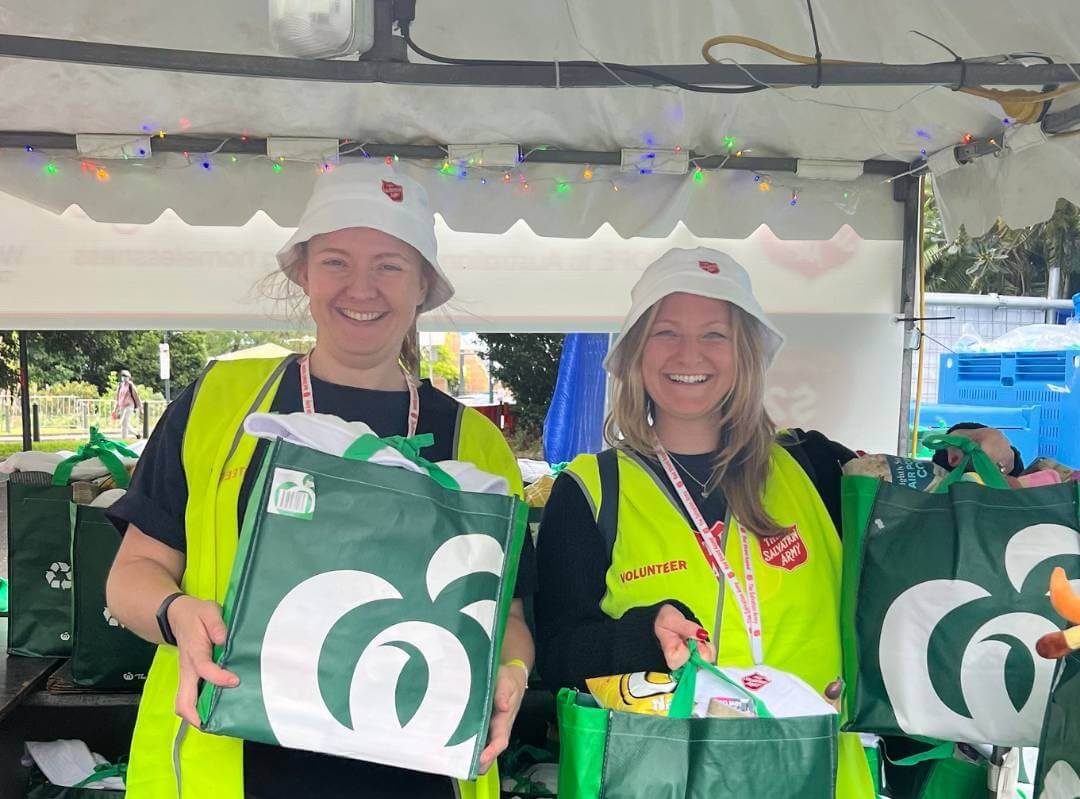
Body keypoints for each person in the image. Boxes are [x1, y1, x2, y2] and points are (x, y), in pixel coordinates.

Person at [105, 162, 535, 799]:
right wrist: (176, 613)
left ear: (423, 285)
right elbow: (131, 574)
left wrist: (513, 668)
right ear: (302, 272)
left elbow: (512, 615)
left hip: (416, 773)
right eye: (336, 261)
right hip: (233, 764)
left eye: (389, 265)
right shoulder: (218, 406)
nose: (361, 288)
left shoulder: (476, 443)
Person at [533, 247, 1017, 799]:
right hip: (660, 777)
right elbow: (556, 654)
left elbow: (943, 499)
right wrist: (641, 637)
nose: (690, 353)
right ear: (635, 353)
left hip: (819, 775)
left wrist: (989, 451)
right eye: (666, 332)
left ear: (745, 355)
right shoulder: (591, 490)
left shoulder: (817, 466)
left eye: (715, 334)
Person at [113, 369, 141, 440]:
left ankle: (124, 438)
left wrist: (140, 407)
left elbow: (136, 397)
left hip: (129, 406)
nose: (124, 377)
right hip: (122, 406)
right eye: (123, 376)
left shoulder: (130, 386)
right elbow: (118, 398)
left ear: (129, 377)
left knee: (124, 421)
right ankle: (136, 434)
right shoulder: (120, 386)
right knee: (124, 424)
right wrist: (115, 409)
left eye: (125, 376)